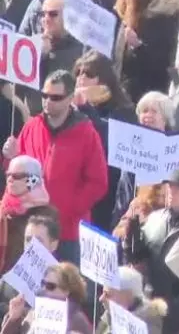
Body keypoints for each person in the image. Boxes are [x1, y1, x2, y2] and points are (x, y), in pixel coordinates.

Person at [2, 70, 107, 264]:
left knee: (65, 289)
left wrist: (68, 209)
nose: (47, 101)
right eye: (44, 95)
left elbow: (98, 183)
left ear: (70, 98)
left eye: (55, 97)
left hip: (67, 233)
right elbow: (17, 173)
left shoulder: (86, 132)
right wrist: (10, 158)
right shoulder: (32, 126)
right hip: (31, 228)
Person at [125, 168, 179, 334]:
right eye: (170, 185)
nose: (172, 190)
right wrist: (131, 239)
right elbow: (139, 259)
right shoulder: (155, 218)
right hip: (151, 302)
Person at [72, 50, 136, 233]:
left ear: (104, 79)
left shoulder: (123, 110)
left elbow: (112, 140)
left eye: (89, 74)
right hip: (79, 190)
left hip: (107, 193)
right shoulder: (72, 107)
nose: (81, 78)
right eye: (78, 73)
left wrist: (86, 109)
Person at [111, 92, 173, 230]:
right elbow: (123, 194)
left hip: (163, 223)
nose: (148, 115)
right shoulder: (131, 149)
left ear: (165, 118)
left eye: (154, 111)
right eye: (144, 111)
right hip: (133, 222)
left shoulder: (175, 149)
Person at [19, 0, 83, 115]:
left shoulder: (80, 48)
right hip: (35, 118)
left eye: (53, 14)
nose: (46, 19)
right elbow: (18, 82)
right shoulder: (35, 44)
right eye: (43, 14)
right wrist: (37, 54)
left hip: (66, 122)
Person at [115, 0, 179, 102]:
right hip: (123, 94)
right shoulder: (127, 13)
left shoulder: (165, 16)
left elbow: (163, 64)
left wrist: (138, 47)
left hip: (148, 98)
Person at [0, 209, 60, 320]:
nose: (32, 245)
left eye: (38, 241)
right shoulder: (9, 279)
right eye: (28, 240)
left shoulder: (62, 285)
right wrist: (10, 310)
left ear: (53, 245)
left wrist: (26, 313)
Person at [1, 262, 92, 333]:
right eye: (43, 283)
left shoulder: (77, 321)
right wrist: (13, 319)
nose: (43, 289)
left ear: (66, 291)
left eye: (50, 286)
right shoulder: (32, 314)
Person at [0, 156, 50, 273]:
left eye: (17, 176)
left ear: (32, 180)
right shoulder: (3, 207)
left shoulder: (44, 215)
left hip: (22, 279)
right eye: (8, 175)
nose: (10, 179)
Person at [96, 266, 168, 334]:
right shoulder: (110, 312)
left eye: (108, 295)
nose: (101, 299)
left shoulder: (147, 323)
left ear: (126, 295)